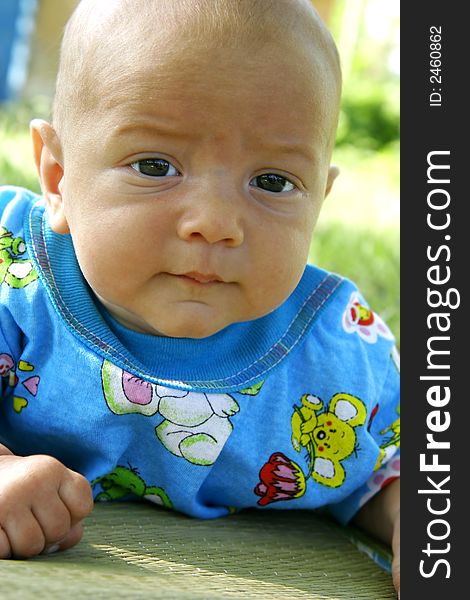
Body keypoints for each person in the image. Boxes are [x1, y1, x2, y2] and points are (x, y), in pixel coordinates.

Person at [0, 0, 400, 594]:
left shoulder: (335, 353)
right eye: (156, 166)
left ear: (318, 198)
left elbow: (387, 470)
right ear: (58, 179)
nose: (214, 223)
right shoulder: (16, 275)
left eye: (272, 182)